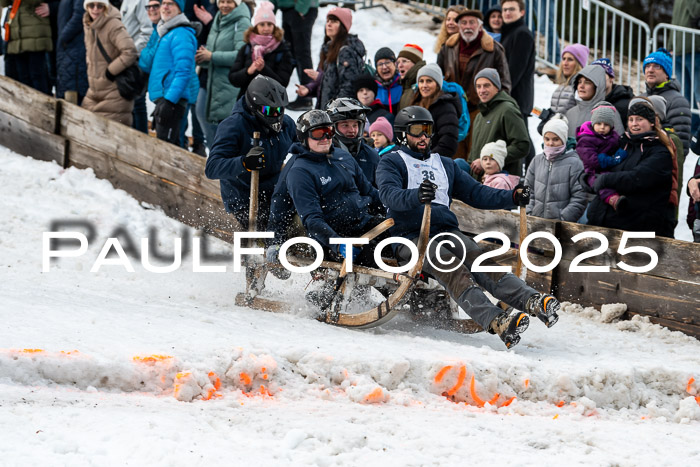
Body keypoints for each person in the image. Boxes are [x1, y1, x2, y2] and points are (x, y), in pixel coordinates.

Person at [375, 106, 560, 349]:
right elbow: (388, 195)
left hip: (445, 232)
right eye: (417, 131)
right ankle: (496, 320)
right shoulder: (390, 162)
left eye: (428, 131)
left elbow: (475, 192)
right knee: (453, 269)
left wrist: (511, 197)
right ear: (402, 134)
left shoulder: (444, 164)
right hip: (410, 237)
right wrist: (416, 196)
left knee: (481, 262)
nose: (423, 137)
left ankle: (534, 301)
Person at [205, 75, 296, 230]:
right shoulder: (233, 126)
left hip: (275, 191)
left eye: (279, 110)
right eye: (269, 110)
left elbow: (303, 147)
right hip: (244, 196)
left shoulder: (286, 124)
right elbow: (212, 168)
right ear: (254, 106)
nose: (276, 115)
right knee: (272, 229)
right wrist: (244, 163)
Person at [585, 99, 677, 238]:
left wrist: (603, 179)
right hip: (602, 223)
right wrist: (587, 178)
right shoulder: (622, 144)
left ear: (652, 122)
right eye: (631, 119)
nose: (634, 124)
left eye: (639, 119)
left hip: (635, 228)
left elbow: (636, 178)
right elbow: (599, 165)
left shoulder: (660, 152)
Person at [437, 8, 510, 156]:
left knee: (478, 158)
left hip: (481, 112)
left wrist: (495, 113)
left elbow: (505, 86)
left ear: (480, 26)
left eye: (472, 22)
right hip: (454, 112)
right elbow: (438, 81)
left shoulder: (494, 50)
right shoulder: (447, 48)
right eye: (463, 23)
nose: (468, 26)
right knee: (454, 158)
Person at [139, 0, 199, 146]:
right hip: (165, 99)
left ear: (179, 9)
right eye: (164, 3)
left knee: (172, 148)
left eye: (171, 3)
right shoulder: (167, 32)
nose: (165, 7)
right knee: (163, 145)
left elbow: (183, 72)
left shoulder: (181, 34)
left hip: (173, 101)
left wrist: (169, 101)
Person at [194, 0, 251, 150]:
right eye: (222, 1)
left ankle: (221, 159)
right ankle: (216, 156)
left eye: (229, 2)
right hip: (212, 79)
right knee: (202, 114)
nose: (224, 5)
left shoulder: (242, 21)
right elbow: (213, 48)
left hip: (228, 83)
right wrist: (202, 58)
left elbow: (240, 54)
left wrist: (211, 56)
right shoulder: (219, 18)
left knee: (223, 127)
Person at [296, 7, 365, 111]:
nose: (328, 24)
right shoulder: (329, 49)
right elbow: (328, 85)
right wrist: (309, 89)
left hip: (337, 116)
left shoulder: (346, 51)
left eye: (334, 21)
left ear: (343, 26)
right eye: (328, 21)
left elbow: (348, 87)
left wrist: (334, 111)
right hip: (328, 112)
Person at [82, 0, 138, 125]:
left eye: (100, 6)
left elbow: (130, 51)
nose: (95, 9)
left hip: (114, 91)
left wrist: (110, 71)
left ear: (105, 7)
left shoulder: (113, 24)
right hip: (94, 90)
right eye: (91, 5)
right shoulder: (89, 24)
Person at [228, 1, 293, 104]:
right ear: (256, 27)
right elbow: (233, 79)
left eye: (269, 24)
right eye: (262, 24)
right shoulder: (246, 48)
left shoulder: (282, 50)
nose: (266, 28)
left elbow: (282, 83)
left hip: (270, 106)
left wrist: (264, 69)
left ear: (274, 26)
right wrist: (248, 71)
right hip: (245, 103)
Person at [469, 68, 530, 177]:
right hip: (480, 181)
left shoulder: (507, 110)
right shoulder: (479, 116)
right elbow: (474, 152)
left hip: (502, 181)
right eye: (478, 86)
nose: (482, 90)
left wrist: (491, 159)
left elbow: (522, 145)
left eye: (486, 85)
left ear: (496, 87)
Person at [525, 115, 587, 221]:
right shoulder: (537, 161)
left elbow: (579, 197)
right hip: (535, 222)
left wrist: (562, 218)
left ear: (563, 139)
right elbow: (527, 189)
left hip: (561, 226)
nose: (550, 143)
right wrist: (529, 212)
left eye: (556, 139)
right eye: (547, 139)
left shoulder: (575, 163)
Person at [575, 102, 628, 210]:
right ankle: (613, 200)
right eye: (599, 124)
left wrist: (619, 153)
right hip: (593, 172)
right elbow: (593, 160)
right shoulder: (586, 139)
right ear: (593, 123)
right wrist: (613, 160)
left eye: (606, 124)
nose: (602, 127)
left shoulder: (613, 136)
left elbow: (619, 149)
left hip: (610, 168)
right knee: (601, 184)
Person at [642, 48, 692, 156]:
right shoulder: (641, 98)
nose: (650, 70)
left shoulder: (678, 101)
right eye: (647, 66)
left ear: (666, 74)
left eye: (657, 66)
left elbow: (680, 146)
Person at [407, 63, 461, 159]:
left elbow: (449, 141)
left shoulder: (446, 106)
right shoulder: (414, 105)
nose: (424, 85)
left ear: (437, 84)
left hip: (434, 164)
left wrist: (428, 159)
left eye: (429, 81)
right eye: (421, 81)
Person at [274, 0, 318, 111]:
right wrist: (270, 8)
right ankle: (276, 93)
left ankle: (306, 97)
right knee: (289, 54)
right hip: (288, 10)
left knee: (302, 54)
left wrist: (301, 8)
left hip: (302, 10)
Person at [1, 0, 53, 94]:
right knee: (22, 78)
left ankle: (41, 107)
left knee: (37, 76)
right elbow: (4, 3)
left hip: (36, 32)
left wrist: (52, 8)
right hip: (18, 34)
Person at [326, 97, 380, 187]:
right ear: (332, 127)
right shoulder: (322, 154)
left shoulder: (371, 155)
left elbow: (381, 192)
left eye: (355, 125)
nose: (352, 130)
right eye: (345, 125)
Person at [119, 0, 153, 133]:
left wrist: (131, 51)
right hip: (123, 58)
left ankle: (142, 137)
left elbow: (147, 32)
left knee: (138, 102)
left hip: (135, 58)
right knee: (128, 102)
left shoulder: (140, 1)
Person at [565, 64, 624, 138]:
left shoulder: (609, 112)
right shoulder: (570, 113)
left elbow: (618, 142)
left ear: (597, 86)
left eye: (587, 82)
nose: (581, 86)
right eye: (579, 82)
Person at [499, 0, 534, 122]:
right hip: (509, 99)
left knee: (520, 140)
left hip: (515, 100)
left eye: (512, 9)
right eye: (505, 10)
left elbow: (515, 70)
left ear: (522, 12)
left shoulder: (522, 34)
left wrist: (500, 95)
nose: (507, 12)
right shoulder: (509, 32)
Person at [671, 0, 700, 134]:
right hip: (681, 48)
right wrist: (670, 45)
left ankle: (694, 130)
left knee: (696, 92)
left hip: (692, 47)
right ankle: (692, 129)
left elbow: (695, 12)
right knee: (686, 94)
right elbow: (676, 20)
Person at [56, 0, 89, 104]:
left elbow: (79, 15)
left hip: (74, 48)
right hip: (67, 49)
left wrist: (63, 37)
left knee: (74, 91)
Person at [589, 57, 634, 125]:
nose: (597, 78)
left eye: (601, 74)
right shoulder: (585, 100)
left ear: (611, 78)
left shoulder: (626, 103)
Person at [550, 44, 588, 115]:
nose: (565, 63)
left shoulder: (581, 87)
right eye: (564, 59)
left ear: (578, 64)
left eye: (570, 59)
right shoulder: (561, 86)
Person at [396, 43, 426, 112]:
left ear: (416, 63)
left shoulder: (422, 86)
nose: (400, 65)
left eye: (404, 61)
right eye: (398, 62)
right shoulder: (404, 86)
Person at [373, 47, 402, 115]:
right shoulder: (373, 87)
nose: (384, 67)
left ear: (395, 64)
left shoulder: (403, 83)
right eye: (380, 64)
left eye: (387, 62)